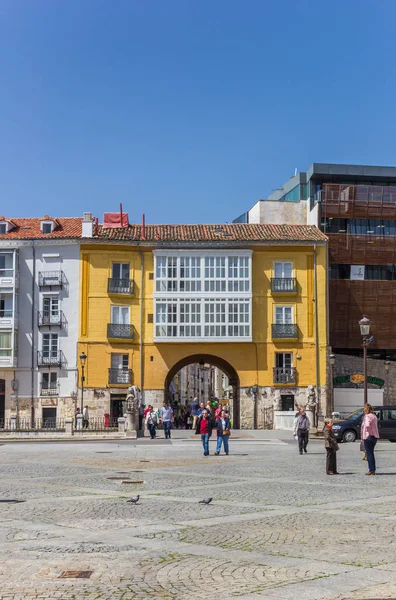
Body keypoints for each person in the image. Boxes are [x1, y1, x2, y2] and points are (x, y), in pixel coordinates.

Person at [362, 403, 380, 475]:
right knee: (371, 453)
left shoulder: (367, 416)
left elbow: (367, 425)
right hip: (374, 437)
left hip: (368, 436)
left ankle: (371, 469)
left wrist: (368, 433)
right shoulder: (374, 416)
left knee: (369, 454)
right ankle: (373, 469)